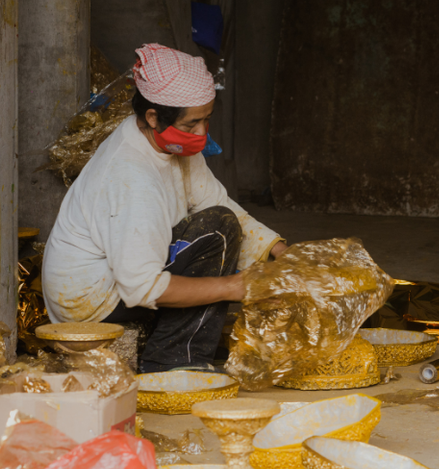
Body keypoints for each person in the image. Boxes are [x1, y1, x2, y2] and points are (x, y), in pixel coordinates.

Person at [42, 44, 288, 372]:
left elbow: (215, 200)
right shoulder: (132, 176)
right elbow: (141, 285)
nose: (201, 133)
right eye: (191, 124)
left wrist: (281, 252)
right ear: (153, 116)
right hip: (88, 301)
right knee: (217, 232)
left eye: (206, 120)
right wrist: (235, 287)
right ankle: (174, 365)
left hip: (114, 278)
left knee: (221, 221)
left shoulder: (168, 143)